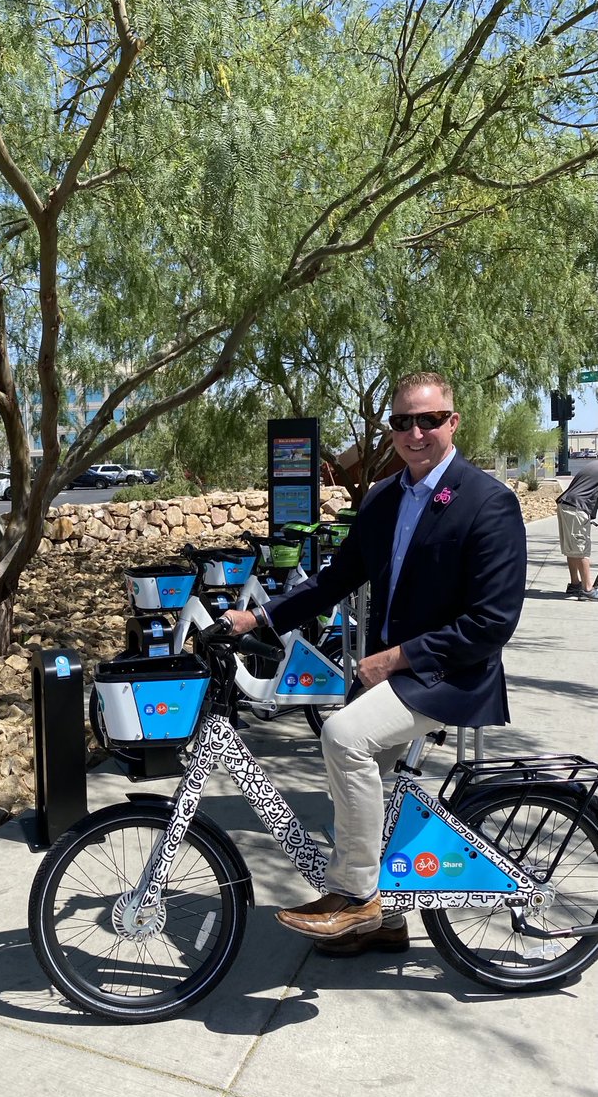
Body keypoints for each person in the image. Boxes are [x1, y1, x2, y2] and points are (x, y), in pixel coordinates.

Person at [222, 371, 527, 955]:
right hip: (398, 674)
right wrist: (258, 618)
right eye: (402, 422)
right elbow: (335, 580)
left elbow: (493, 622)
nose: (415, 432)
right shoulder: (385, 497)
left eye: (429, 420)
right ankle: (384, 921)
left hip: (451, 675)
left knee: (343, 737)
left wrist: (400, 656)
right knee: (353, 790)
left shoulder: (487, 502)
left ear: (452, 423)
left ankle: (355, 893)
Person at [556, 459, 598, 600]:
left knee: (572, 549)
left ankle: (575, 584)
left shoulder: (594, 465)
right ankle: (587, 590)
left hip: (567, 504)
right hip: (576, 507)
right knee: (581, 550)